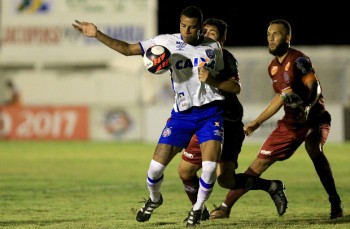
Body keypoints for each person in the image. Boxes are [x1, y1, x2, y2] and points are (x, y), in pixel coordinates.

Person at [73, 6, 226, 226]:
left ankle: (197, 209)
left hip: (210, 112)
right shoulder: (166, 42)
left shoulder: (213, 47)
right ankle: (155, 199)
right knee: (155, 169)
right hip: (182, 114)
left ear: (200, 28)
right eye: (183, 25)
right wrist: (97, 34)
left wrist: (213, 81)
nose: (186, 30)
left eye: (192, 27)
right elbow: (127, 49)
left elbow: (221, 78)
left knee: (210, 167)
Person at [209, 19, 343, 220]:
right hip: (291, 123)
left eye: (276, 34)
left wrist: (307, 106)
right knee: (260, 163)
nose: (270, 39)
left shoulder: (299, 60)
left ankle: (334, 201)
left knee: (313, 150)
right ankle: (226, 207)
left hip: (316, 118)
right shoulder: (272, 67)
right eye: (268, 34)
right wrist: (257, 122)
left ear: (288, 38)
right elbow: (281, 97)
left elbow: (315, 86)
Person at [178, 18, 288, 222]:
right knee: (185, 171)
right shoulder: (191, 55)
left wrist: (211, 80)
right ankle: (198, 209)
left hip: (227, 123)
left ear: (223, 39)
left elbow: (236, 87)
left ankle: (271, 186)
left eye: (213, 33)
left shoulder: (225, 58)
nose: (207, 35)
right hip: (202, 122)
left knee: (226, 180)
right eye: (205, 31)